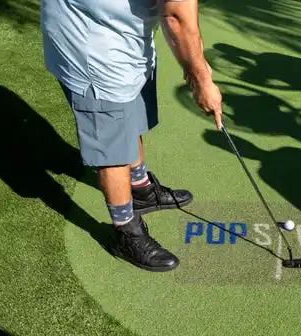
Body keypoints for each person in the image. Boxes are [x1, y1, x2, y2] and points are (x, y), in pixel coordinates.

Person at [40, 0, 223, 272]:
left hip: (121, 29)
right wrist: (202, 81)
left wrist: (194, 66)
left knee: (132, 107)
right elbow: (175, 17)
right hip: (90, 42)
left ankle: (141, 190)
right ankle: (126, 231)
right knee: (112, 141)